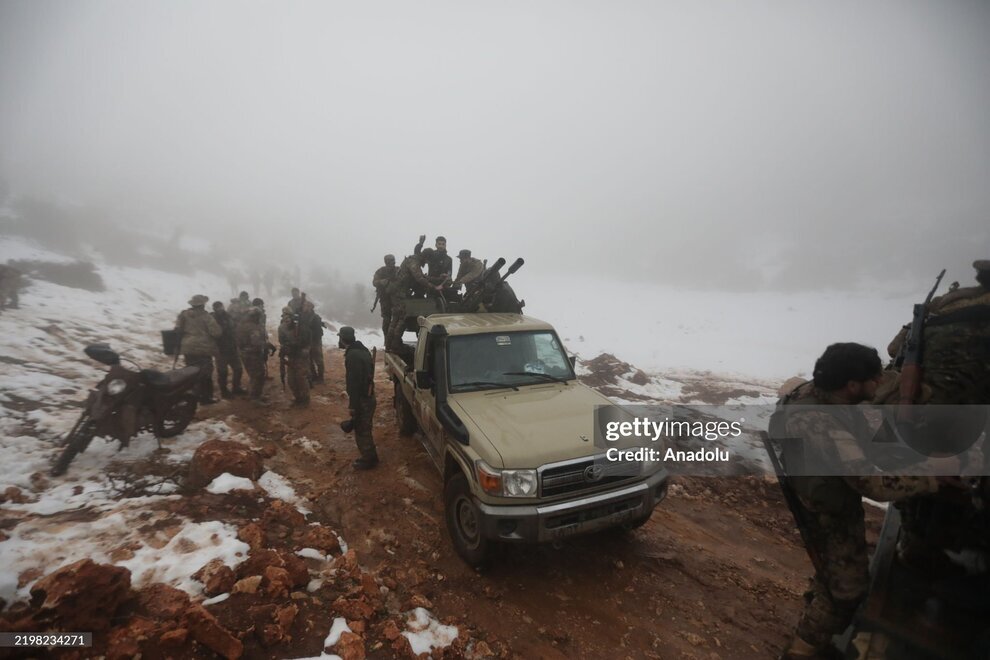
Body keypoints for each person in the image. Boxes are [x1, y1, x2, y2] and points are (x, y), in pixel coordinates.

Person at [774, 343, 963, 659]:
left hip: (825, 491)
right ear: (851, 385)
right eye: (873, 378)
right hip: (827, 510)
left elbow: (871, 406)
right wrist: (932, 472)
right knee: (847, 590)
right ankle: (801, 651)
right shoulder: (818, 422)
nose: (879, 382)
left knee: (832, 576)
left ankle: (815, 617)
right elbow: (872, 484)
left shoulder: (827, 392)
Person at [339, 326, 378, 469]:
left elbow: (354, 383)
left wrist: (353, 406)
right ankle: (371, 456)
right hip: (368, 395)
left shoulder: (352, 356)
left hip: (362, 398)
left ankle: (369, 459)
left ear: (342, 339)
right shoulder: (362, 350)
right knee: (365, 427)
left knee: (362, 429)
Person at [386, 249, 440, 351]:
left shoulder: (413, 260)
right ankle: (395, 345)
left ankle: (389, 345)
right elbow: (419, 278)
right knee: (401, 319)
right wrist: (434, 287)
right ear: (426, 257)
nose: (427, 263)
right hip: (399, 294)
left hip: (398, 293)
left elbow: (422, 276)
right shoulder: (414, 262)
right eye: (428, 261)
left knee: (396, 319)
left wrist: (435, 279)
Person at [174, 295, 222, 404]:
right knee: (205, 373)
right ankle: (206, 398)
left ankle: (192, 396)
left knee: (191, 372)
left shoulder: (183, 314)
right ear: (203, 304)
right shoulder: (207, 317)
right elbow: (216, 332)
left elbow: (177, 329)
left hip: (187, 348)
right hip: (203, 349)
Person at [278, 306, 312, 407]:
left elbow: (308, 340)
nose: (286, 318)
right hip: (291, 356)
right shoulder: (282, 327)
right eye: (284, 316)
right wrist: (286, 349)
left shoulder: (301, 326)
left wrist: (304, 350)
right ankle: (298, 398)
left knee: (301, 378)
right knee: (291, 380)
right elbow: (282, 341)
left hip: (301, 356)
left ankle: (305, 400)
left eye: (288, 316)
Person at [211, 301, 245, 398]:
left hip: (231, 347)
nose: (220, 309)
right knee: (223, 372)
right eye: (218, 308)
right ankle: (224, 391)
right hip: (220, 349)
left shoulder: (228, 316)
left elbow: (234, 328)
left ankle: (236, 387)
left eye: (221, 307)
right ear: (214, 309)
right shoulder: (212, 319)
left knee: (238, 369)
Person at [236, 307, 268, 401]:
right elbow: (256, 342)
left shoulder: (242, 324)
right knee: (258, 375)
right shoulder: (252, 327)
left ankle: (255, 395)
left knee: (253, 375)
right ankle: (255, 397)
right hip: (252, 354)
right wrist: (266, 345)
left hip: (245, 353)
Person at [372, 254, 398, 339]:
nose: (393, 262)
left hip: (396, 298)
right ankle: (386, 338)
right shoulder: (381, 271)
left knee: (397, 319)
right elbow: (374, 282)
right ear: (386, 262)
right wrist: (381, 282)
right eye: (390, 261)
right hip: (385, 298)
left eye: (393, 260)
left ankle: (394, 338)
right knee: (386, 319)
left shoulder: (398, 270)